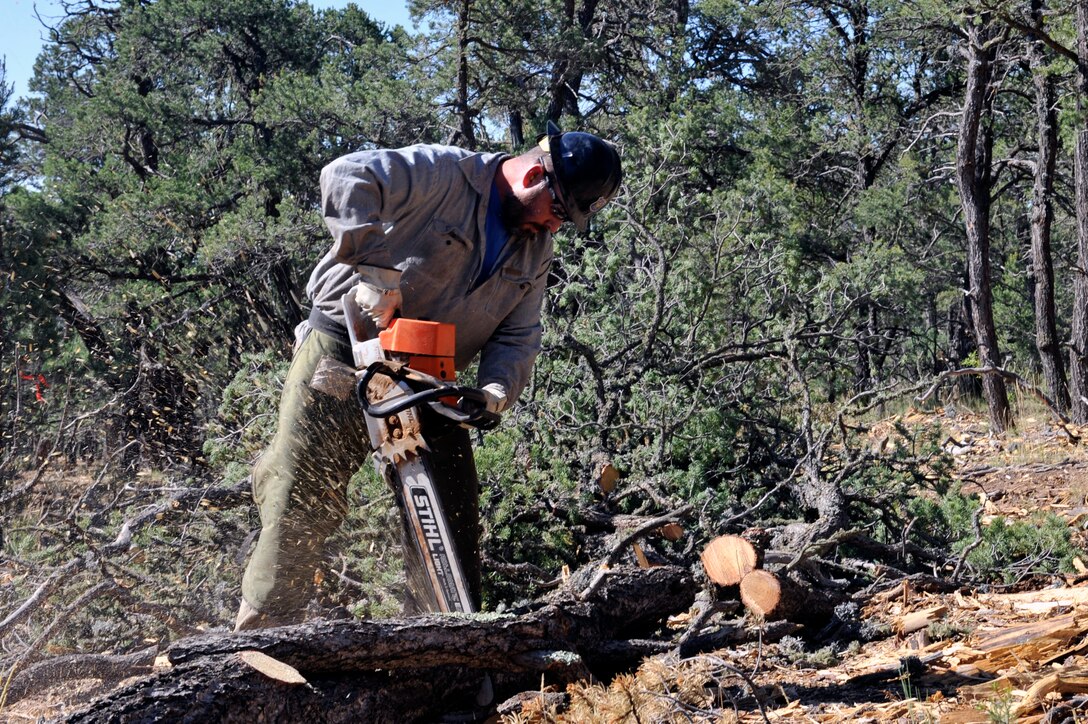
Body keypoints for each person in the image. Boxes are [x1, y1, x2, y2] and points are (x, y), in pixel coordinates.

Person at [235, 122, 623, 630]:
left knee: (449, 513)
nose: (553, 227)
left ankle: (440, 643)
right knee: (302, 484)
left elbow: (519, 334)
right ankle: (262, 628)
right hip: (346, 348)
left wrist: (493, 393)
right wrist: (374, 270)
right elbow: (347, 174)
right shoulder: (445, 173)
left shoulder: (535, 249)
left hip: (432, 378)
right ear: (534, 175)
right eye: (556, 212)